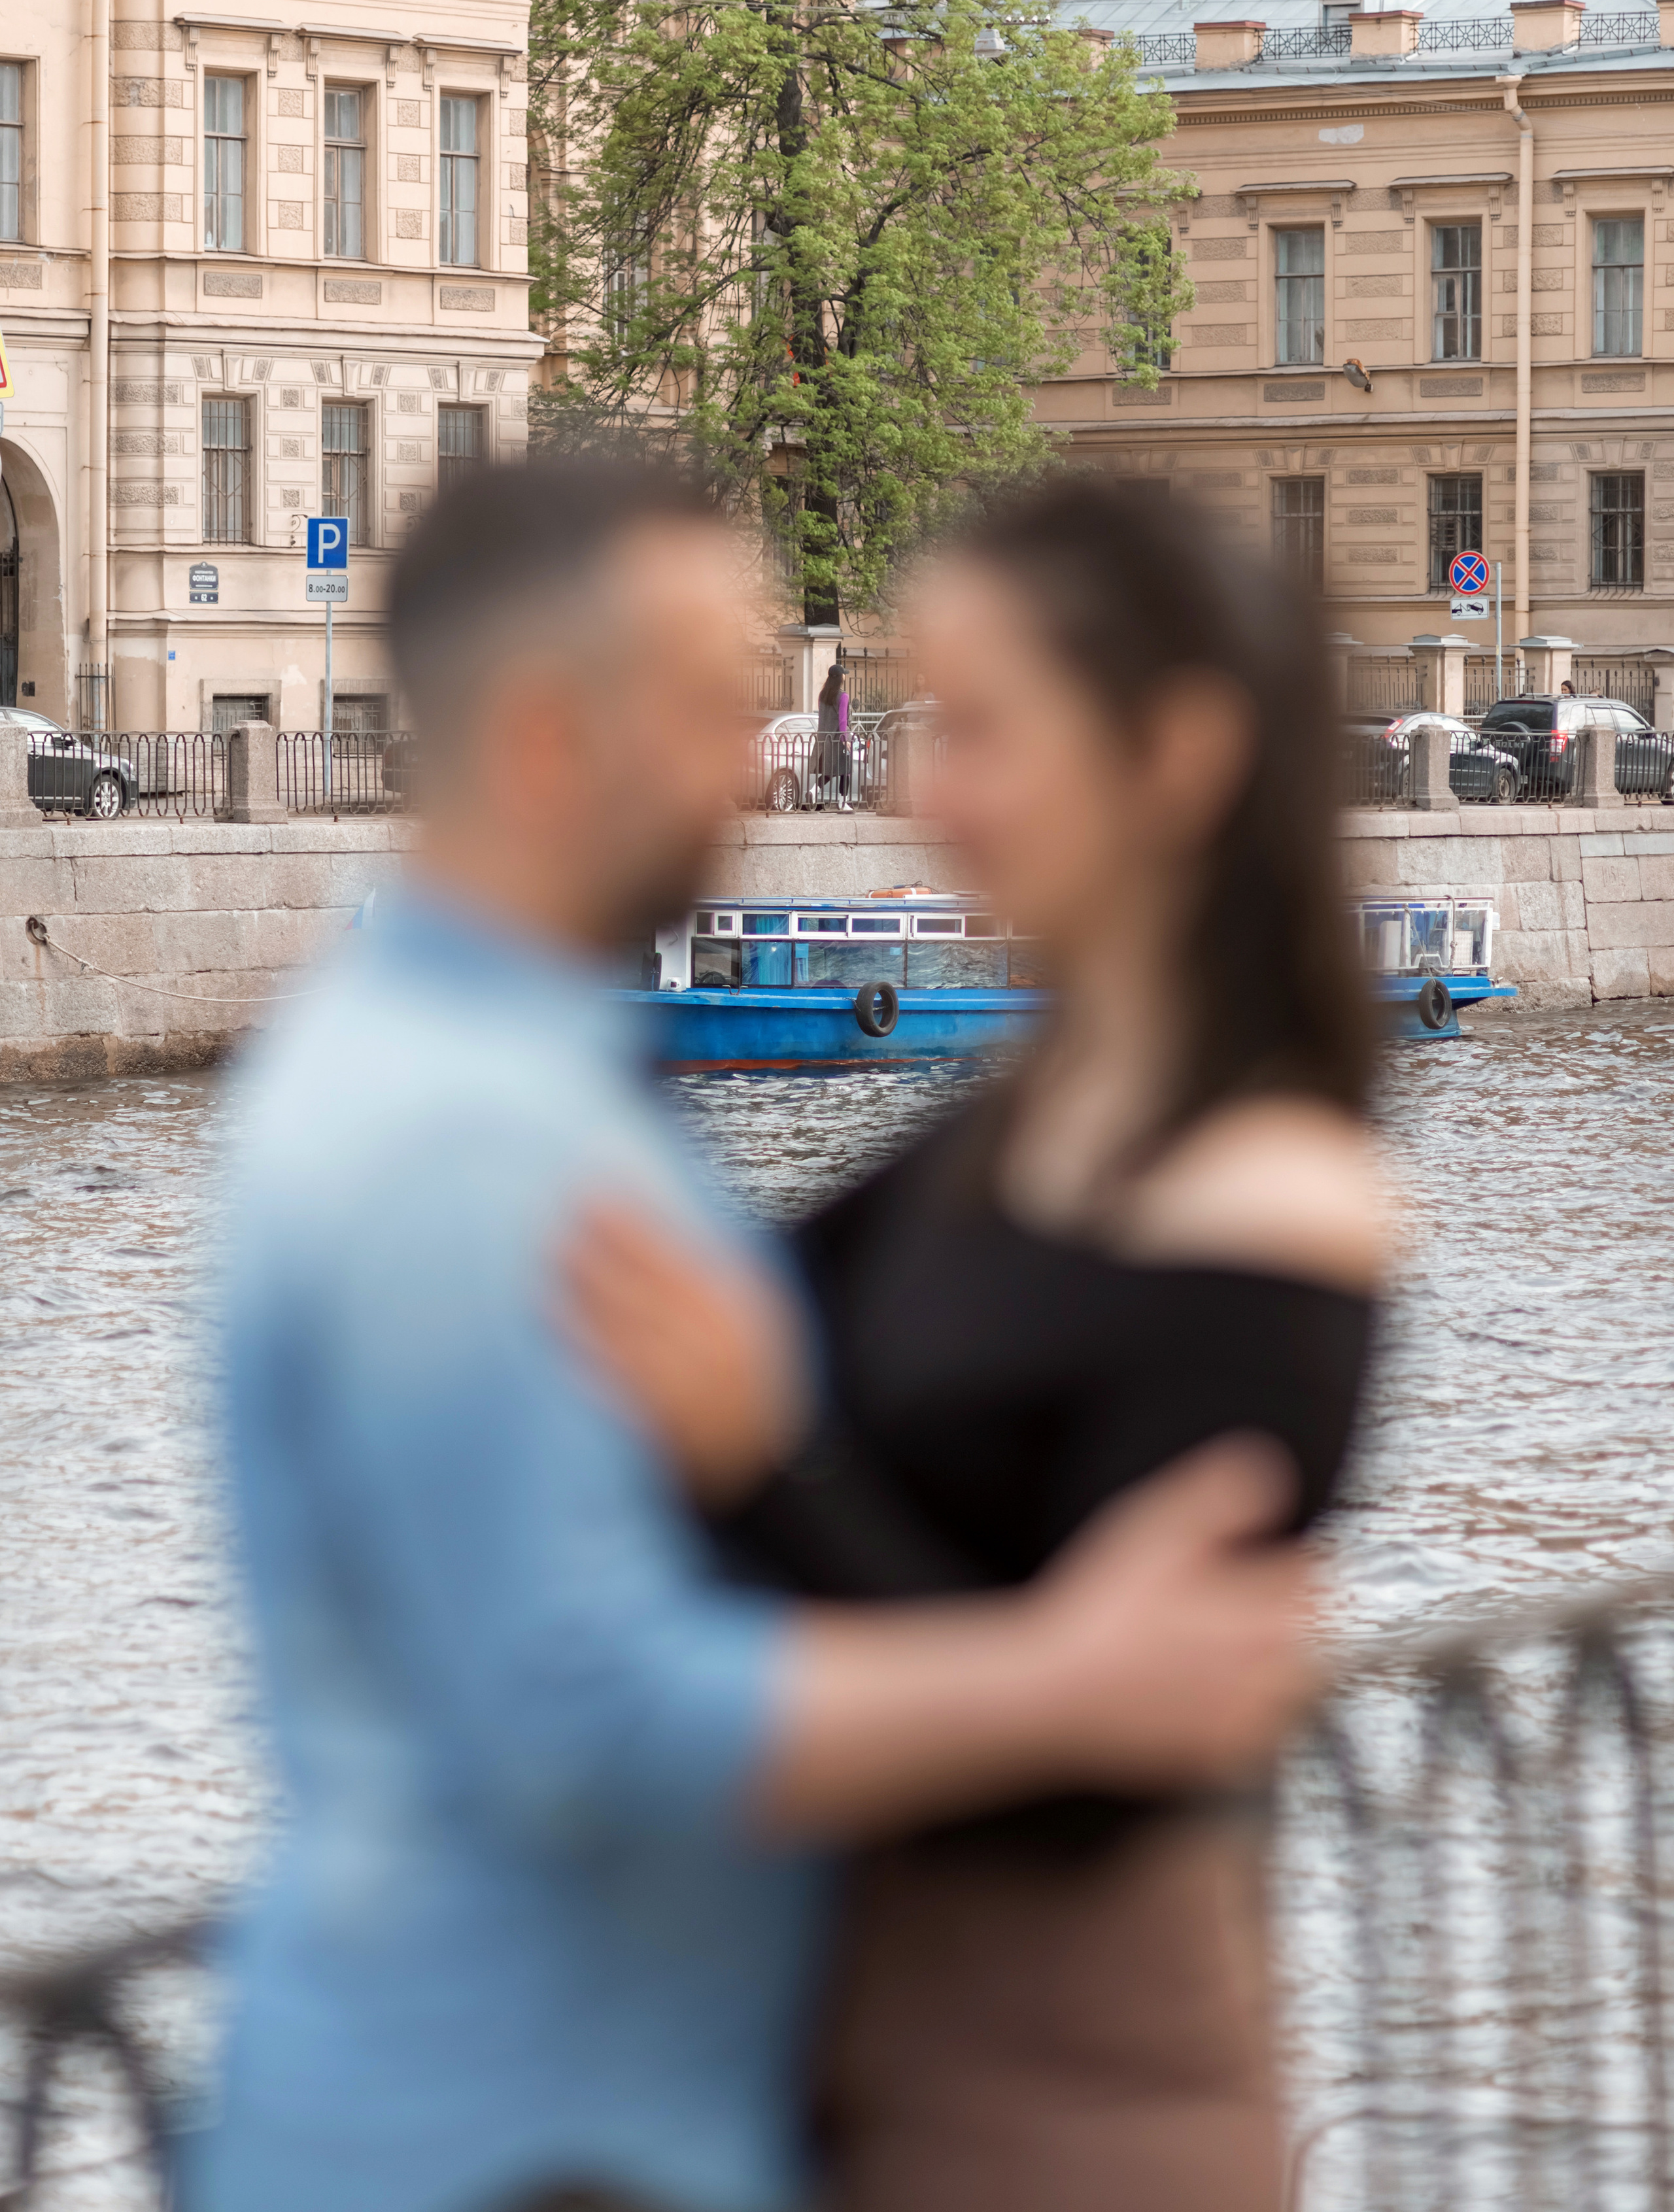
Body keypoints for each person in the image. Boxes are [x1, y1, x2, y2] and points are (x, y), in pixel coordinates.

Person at [192, 457, 1323, 2212]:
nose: (760, 765)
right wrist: (1068, 1682)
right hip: (514, 2142)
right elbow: (580, 1710)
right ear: (555, 739)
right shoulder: (462, 1141)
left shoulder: (502, 1072)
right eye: (720, 704)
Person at [563, 479, 1387, 2212]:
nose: (926, 792)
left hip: (1049, 2105)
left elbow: (1100, 1769)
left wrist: (760, 1458)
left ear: (1177, 754)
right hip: (833, 2063)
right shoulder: (1030, 1116)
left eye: (985, 729)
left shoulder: (1281, 1205)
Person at [815, 659, 846, 808]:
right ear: (840, 678)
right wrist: (846, 738)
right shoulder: (843, 696)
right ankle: (843, 802)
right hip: (838, 739)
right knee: (845, 770)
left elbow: (822, 715)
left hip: (824, 737)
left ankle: (814, 790)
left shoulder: (822, 695)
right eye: (843, 675)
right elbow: (843, 721)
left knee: (832, 770)